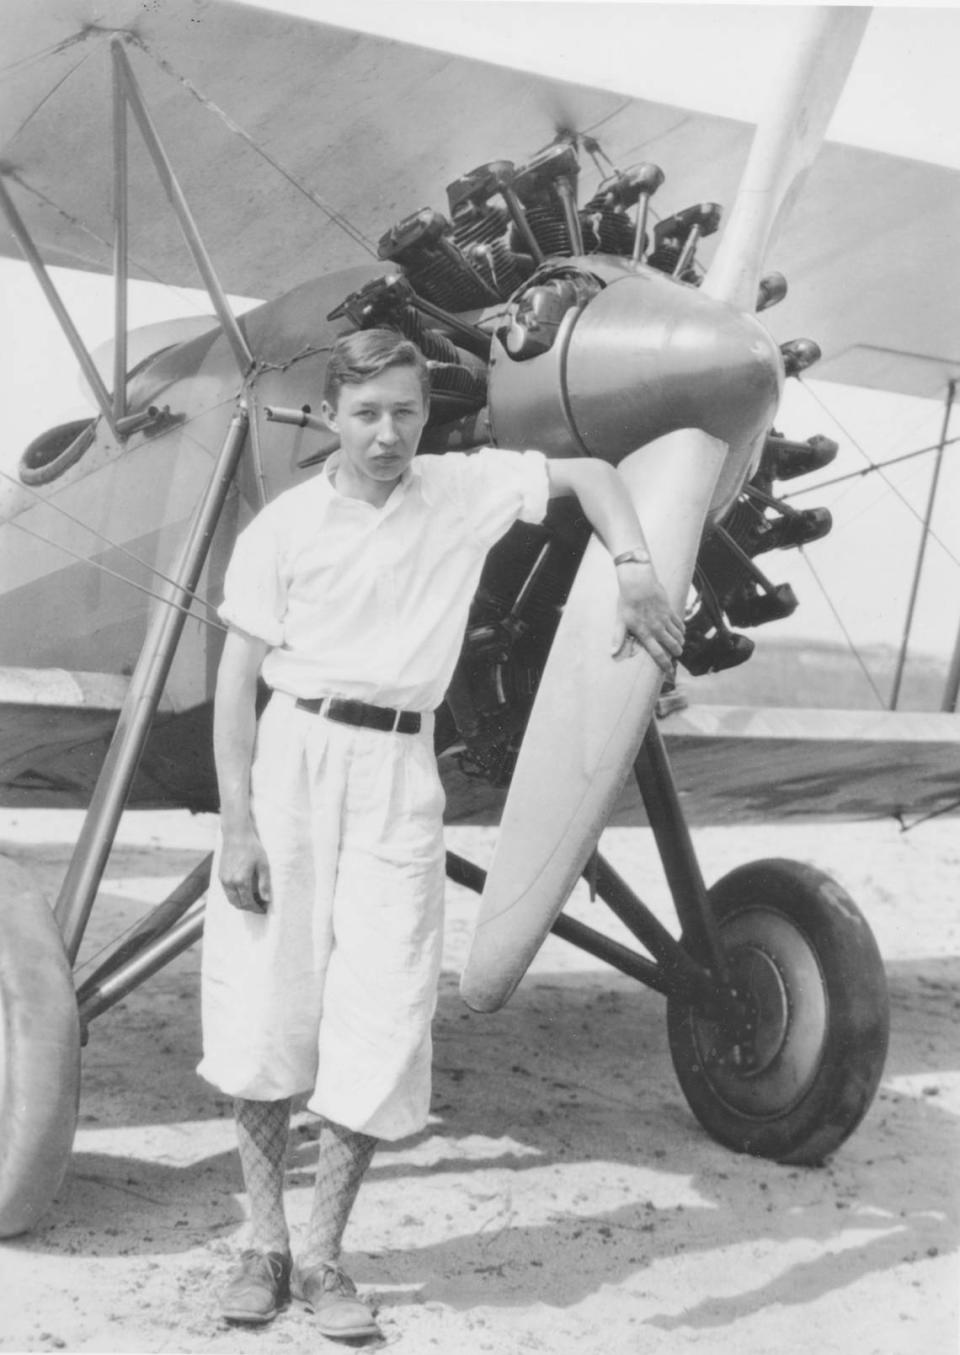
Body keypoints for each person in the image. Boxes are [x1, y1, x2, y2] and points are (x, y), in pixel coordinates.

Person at [198, 327, 684, 1340]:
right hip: (294, 759)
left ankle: (324, 1255)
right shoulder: (281, 529)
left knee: (381, 1010)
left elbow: (593, 473)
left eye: (405, 412)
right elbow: (237, 682)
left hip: (400, 770)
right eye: (367, 412)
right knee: (264, 1006)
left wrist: (635, 565)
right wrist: (238, 823)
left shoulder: (461, 488)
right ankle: (263, 1244)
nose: (387, 433)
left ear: (426, 414)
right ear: (330, 413)